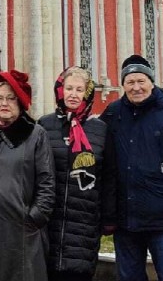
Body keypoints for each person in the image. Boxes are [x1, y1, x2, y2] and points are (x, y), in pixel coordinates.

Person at [99, 55, 163, 281]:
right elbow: (103, 162)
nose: (136, 87)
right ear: (123, 85)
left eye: (141, 81)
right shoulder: (113, 113)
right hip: (126, 219)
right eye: (130, 82)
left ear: (151, 82)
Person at [0, 69, 55, 281]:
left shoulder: (35, 135)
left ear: (20, 101)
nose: (4, 103)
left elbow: (47, 184)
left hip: (22, 233)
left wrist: (33, 219)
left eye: (10, 98)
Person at [39, 67, 117, 281]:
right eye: (69, 88)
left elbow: (108, 177)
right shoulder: (45, 125)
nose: (73, 94)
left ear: (88, 93)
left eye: (79, 89)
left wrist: (108, 218)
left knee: (78, 274)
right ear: (60, 91)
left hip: (84, 220)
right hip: (49, 220)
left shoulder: (100, 129)